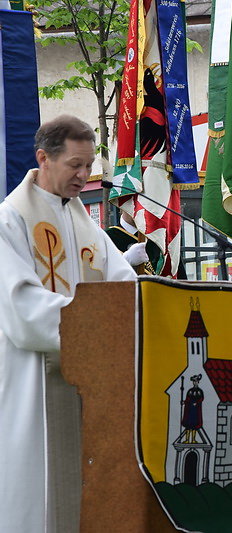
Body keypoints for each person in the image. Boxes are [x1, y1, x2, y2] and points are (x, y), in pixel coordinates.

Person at [0, 115, 137, 532]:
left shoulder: (87, 226)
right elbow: (21, 308)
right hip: (33, 384)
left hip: (89, 385)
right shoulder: (11, 221)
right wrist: (91, 325)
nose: (85, 175)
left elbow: (125, 287)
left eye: (89, 164)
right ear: (43, 158)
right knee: (40, 498)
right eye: (75, 165)